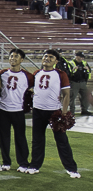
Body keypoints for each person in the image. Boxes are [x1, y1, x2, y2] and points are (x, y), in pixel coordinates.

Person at [27, 50, 79, 178]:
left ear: (56, 61)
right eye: (45, 56)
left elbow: (66, 95)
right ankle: (35, 165)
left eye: (51, 57)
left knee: (62, 140)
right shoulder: (37, 73)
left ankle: (71, 168)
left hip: (54, 111)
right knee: (37, 140)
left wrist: (64, 112)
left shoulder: (61, 74)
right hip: (38, 110)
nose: (47, 58)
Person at [0, 48, 32, 172]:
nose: (13, 58)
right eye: (11, 56)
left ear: (21, 60)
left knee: (20, 137)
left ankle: (23, 162)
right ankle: (6, 162)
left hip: (18, 110)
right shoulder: (2, 73)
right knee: (4, 137)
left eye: (16, 56)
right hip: (3, 110)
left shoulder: (28, 76)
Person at [69, 51, 91, 115]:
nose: (82, 58)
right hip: (74, 83)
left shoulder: (84, 63)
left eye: (82, 57)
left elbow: (89, 72)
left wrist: (88, 70)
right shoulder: (71, 63)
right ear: (76, 57)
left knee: (86, 96)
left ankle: (84, 110)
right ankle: (71, 112)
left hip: (83, 82)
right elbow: (67, 73)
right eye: (80, 57)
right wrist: (72, 71)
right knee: (72, 98)